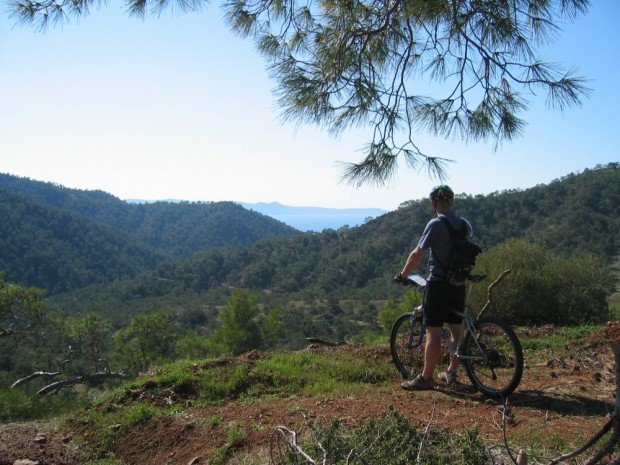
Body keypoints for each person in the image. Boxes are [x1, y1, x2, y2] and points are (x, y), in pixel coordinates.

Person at [395, 184, 470, 391]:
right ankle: (451, 372)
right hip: (458, 283)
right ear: (452, 201)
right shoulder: (463, 225)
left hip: (438, 284)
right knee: (456, 331)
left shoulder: (436, 224)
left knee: (433, 332)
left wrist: (403, 274)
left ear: (433, 202)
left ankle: (426, 378)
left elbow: (418, 253)